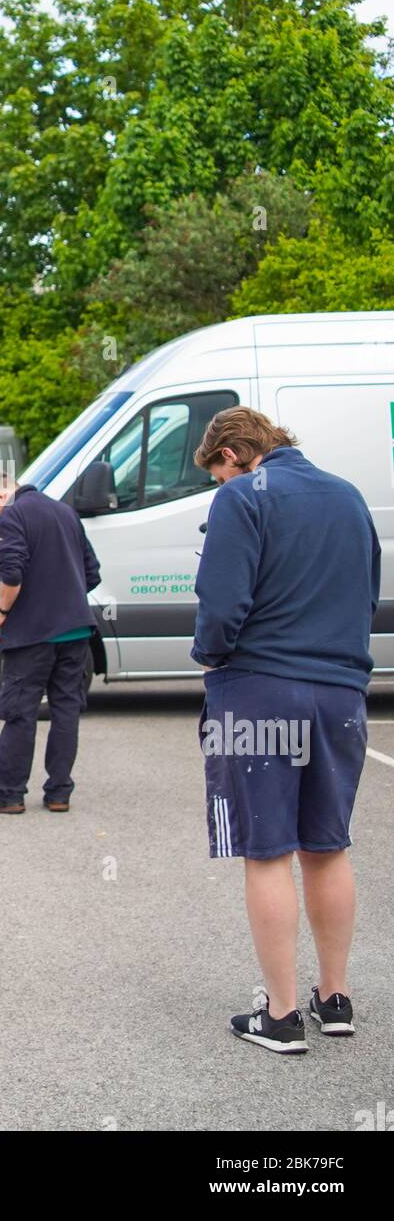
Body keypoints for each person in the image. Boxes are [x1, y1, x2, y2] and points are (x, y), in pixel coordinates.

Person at [192, 407, 379, 1055]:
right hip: (341, 692)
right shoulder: (349, 496)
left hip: (260, 690)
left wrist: (210, 654)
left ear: (236, 453)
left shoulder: (243, 499)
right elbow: (367, 593)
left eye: (218, 472)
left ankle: (280, 1015)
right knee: (327, 846)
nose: (220, 485)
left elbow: (220, 606)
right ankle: (335, 997)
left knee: (266, 849)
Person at [0, 469, 101, 815]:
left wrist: (2, 611)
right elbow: (92, 573)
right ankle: (59, 792)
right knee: (66, 709)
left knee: (19, 710)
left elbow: (12, 573)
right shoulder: (65, 511)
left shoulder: (12, 516)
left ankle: (8, 793)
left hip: (32, 635)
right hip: (76, 630)